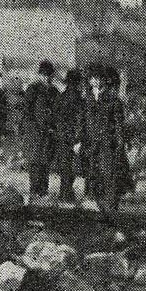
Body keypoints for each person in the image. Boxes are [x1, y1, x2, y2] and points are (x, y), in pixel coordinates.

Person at [82, 63, 128, 217]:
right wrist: (78, 140)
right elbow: (81, 121)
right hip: (91, 144)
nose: (94, 81)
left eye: (98, 78)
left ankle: (111, 210)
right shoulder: (87, 99)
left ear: (103, 80)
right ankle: (100, 209)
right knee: (93, 176)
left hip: (108, 145)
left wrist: (119, 144)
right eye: (92, 78)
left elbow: (119, 125)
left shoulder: (113, 100)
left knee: (109, 176)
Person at [21, 59, 60, 200]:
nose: (47, 78)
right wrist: (35, 128)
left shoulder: (55, 91)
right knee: (35, 164)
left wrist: (53, 128)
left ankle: (43, 192)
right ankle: (34, 192)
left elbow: (57, 113)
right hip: (35, 134)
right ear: (40, 75)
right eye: (44, 75)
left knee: (45, 163)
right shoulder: (33, 89)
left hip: (48, 134)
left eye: (49, 75)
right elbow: (27, 112)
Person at [53, 66, 84, 202]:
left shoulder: (61, 97)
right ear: (77, 83)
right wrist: (78, 138)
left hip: (61, 136)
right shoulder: (77, 99)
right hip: (73, 137)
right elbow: (80, 119)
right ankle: (67, 194)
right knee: (70, 168)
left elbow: (55, 117)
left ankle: (64, 194)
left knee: (65, 167)